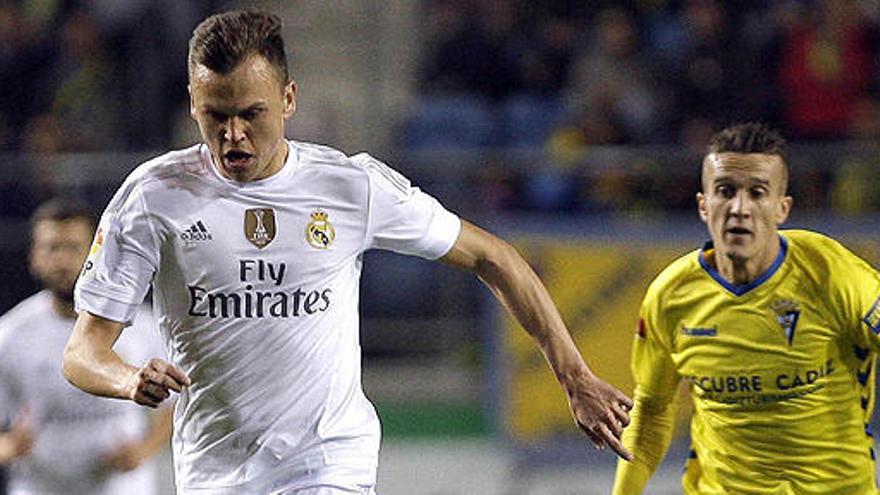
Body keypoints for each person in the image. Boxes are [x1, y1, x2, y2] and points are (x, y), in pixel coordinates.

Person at [60, 10, 633, 495]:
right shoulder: (153, 196)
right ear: (192, 104)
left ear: (288, 99)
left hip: (327, 461)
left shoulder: (349, 187)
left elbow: (495, 257)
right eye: (216, 115)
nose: (233, 134)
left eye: (251, 114)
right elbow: (84, 351)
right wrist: (128, 378)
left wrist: (574, 375)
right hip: (215, 471)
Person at [612, 122, 880, 494]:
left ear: (782, 208)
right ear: (704, 205)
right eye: (725, 191)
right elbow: (653, 412)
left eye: (757, 193)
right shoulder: (671, 297)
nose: (740, 208)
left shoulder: (831, 273)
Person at [0, 198, 173, 495]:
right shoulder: (11, 335)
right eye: (52, 248)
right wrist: (8, 448)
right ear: (34, 258)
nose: (63, 261)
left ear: (96, 254)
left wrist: (144, 450)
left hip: (121, 487)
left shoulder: (143, 326)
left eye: (73, 248)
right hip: (41, 488)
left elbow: (178, 403)